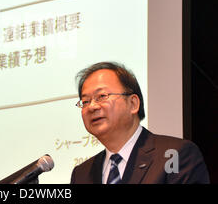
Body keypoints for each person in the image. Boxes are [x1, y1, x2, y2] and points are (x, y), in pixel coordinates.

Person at [70, 61, 210, 184]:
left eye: (102, 96)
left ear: (133, 104)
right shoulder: (82, 173)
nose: (92, 106)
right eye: (86, 101)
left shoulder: (175, 155)